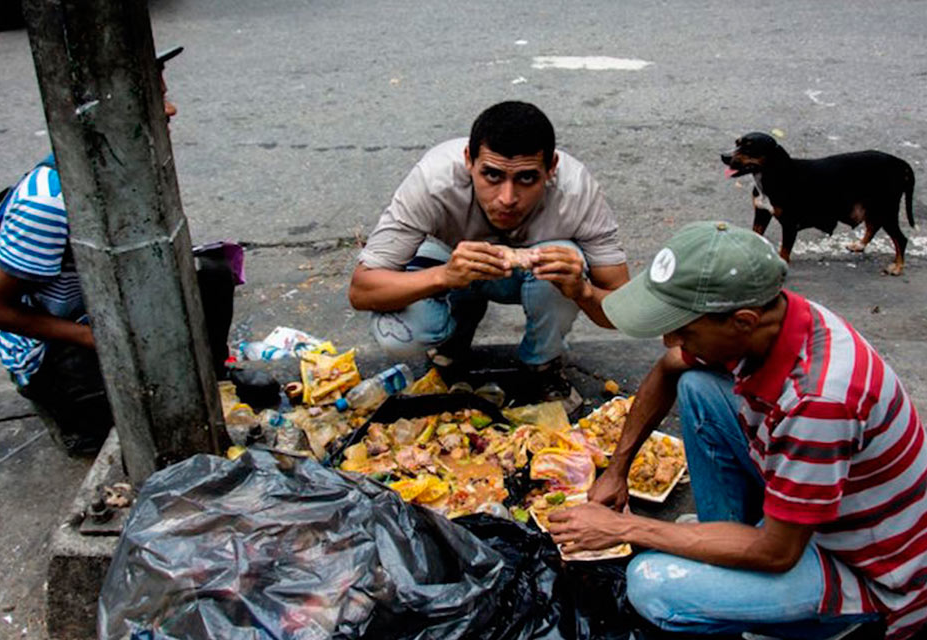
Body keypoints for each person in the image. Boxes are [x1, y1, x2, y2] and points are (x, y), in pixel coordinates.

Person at [548, 220, 927, 639]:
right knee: (697, 385)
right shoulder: (777, 318)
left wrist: (625, 528)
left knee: (652, 585)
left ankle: (838, 623)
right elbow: (670, 366)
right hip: (815, 511)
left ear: (743, 321)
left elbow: (778, 553)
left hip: (864, 566)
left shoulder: (819, 401)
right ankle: (724, 539)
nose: (669, 338)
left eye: (684, 328)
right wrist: (617, 469)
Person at [0, 46, 238, 455]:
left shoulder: (130, 166)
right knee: (139, 424)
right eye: (157, 101)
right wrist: (97, 338)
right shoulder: (46, 204)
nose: (171, 110)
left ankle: (215, 380)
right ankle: (75, 416)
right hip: (56, 349)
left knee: (213, 273)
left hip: (101, 311)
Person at [348, 101, 630, 411]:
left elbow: (622, 308)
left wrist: (583, 291)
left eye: (526, 179)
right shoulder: (433, 181)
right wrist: (444, 277)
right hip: (449, 262)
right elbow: (362, 290)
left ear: (552, 169)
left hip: (532, 277)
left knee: (565, 260)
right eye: (492, 176)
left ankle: (542, 364)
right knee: (398, 336)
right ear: (468, 160)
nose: (507, 199)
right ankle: (451, 341)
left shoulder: (577, 191)